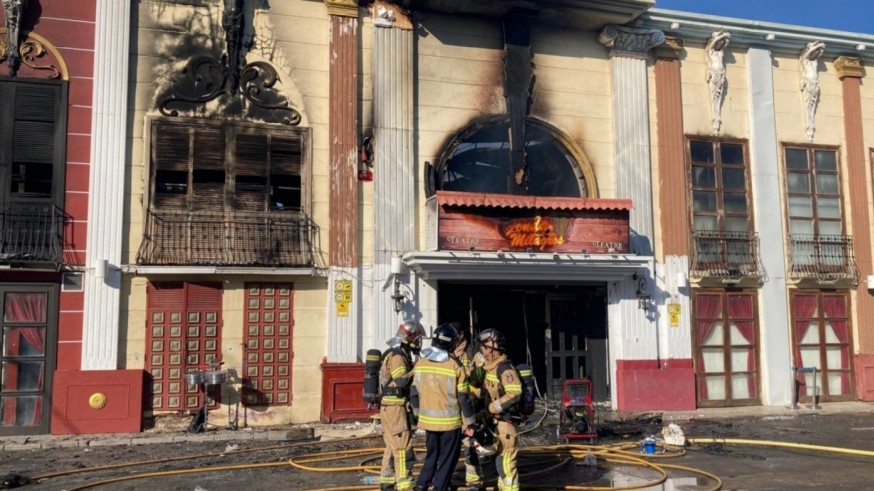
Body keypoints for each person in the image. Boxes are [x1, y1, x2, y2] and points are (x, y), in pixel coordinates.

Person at [412, 323, 476, 491]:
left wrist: (417, 415)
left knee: (431, 455)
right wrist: (470, 422)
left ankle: (421, 484)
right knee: (448, 457)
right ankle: (440, 486)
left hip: (428, 422)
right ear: (452, 343)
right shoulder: (455, 365)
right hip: (450, 422)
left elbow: (413, 392)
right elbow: (463, 397)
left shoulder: (421, 363)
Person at [378, 320, 425, 491]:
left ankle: (387, 480)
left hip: (391, 406)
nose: (418, 342)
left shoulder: (400, 352)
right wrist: (417, 369)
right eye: (417, 338)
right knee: (402, 446)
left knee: (392, 444)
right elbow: (401, 380)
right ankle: (405, 483)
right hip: (394, 407)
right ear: (410, 337)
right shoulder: (397, 355)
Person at [477, 328, 522, 491]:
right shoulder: (490, 368)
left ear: (491, 348)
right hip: (496, 423)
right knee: (500, 463)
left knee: (507, 464)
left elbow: (514, 393)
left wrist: (492, 407)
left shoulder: (505, 368)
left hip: (505, 424)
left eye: (483, 346)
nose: (481, 350)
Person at [450, 323, 486, 491]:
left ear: (461, 335)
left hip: (468, 404)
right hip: (449, 407)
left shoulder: (472, 354)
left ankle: (473, 480)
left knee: (470, 444)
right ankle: (446, 478)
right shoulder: (446, 354)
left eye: (454, 334)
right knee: (449, 445)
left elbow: (481, 378)